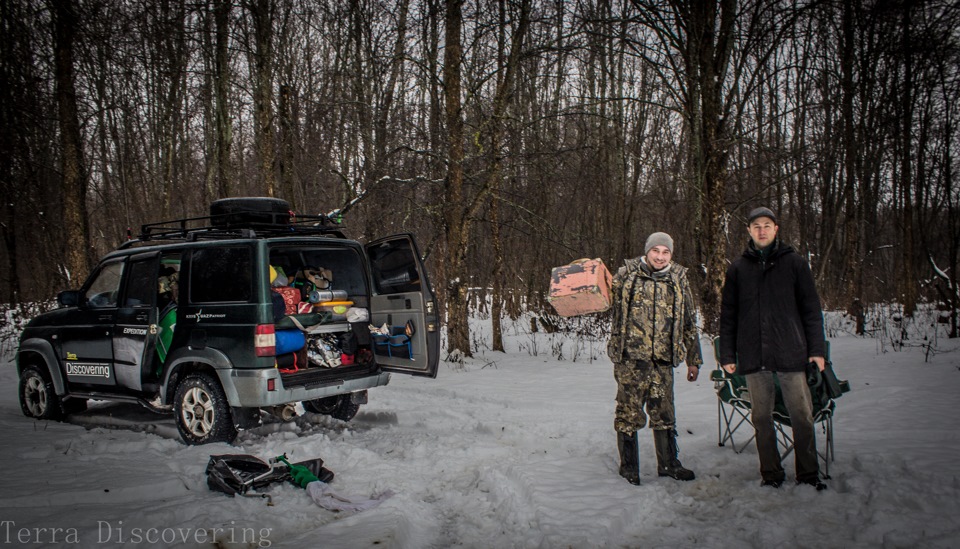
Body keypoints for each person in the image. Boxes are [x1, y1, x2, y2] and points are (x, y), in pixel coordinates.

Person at [718, 207, 827, 490]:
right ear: (749, 231)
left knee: (802, 416)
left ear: (776, 229)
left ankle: (808, 473)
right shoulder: (738, 268)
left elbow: (811, 310)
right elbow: (728, 315)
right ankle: (771, 473)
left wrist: (816, 350)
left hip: (791, 352)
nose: (762, 230)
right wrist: (727, 355)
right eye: (756, 226)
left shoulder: (795, 264)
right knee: (761, 418)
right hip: (754, 355)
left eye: (767, 225)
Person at [607, 232, 703, 485]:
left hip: (662, 360)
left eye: (665, 252)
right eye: (655, 251)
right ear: (647, 251)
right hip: (631, 360)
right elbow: (604, 297)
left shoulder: (678, 280)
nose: (660, 257)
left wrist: (694, 359)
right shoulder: (627, 275)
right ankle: (629, 468)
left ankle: (669, 464)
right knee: (628, 413)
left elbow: (689, 322)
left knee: (664, 413)